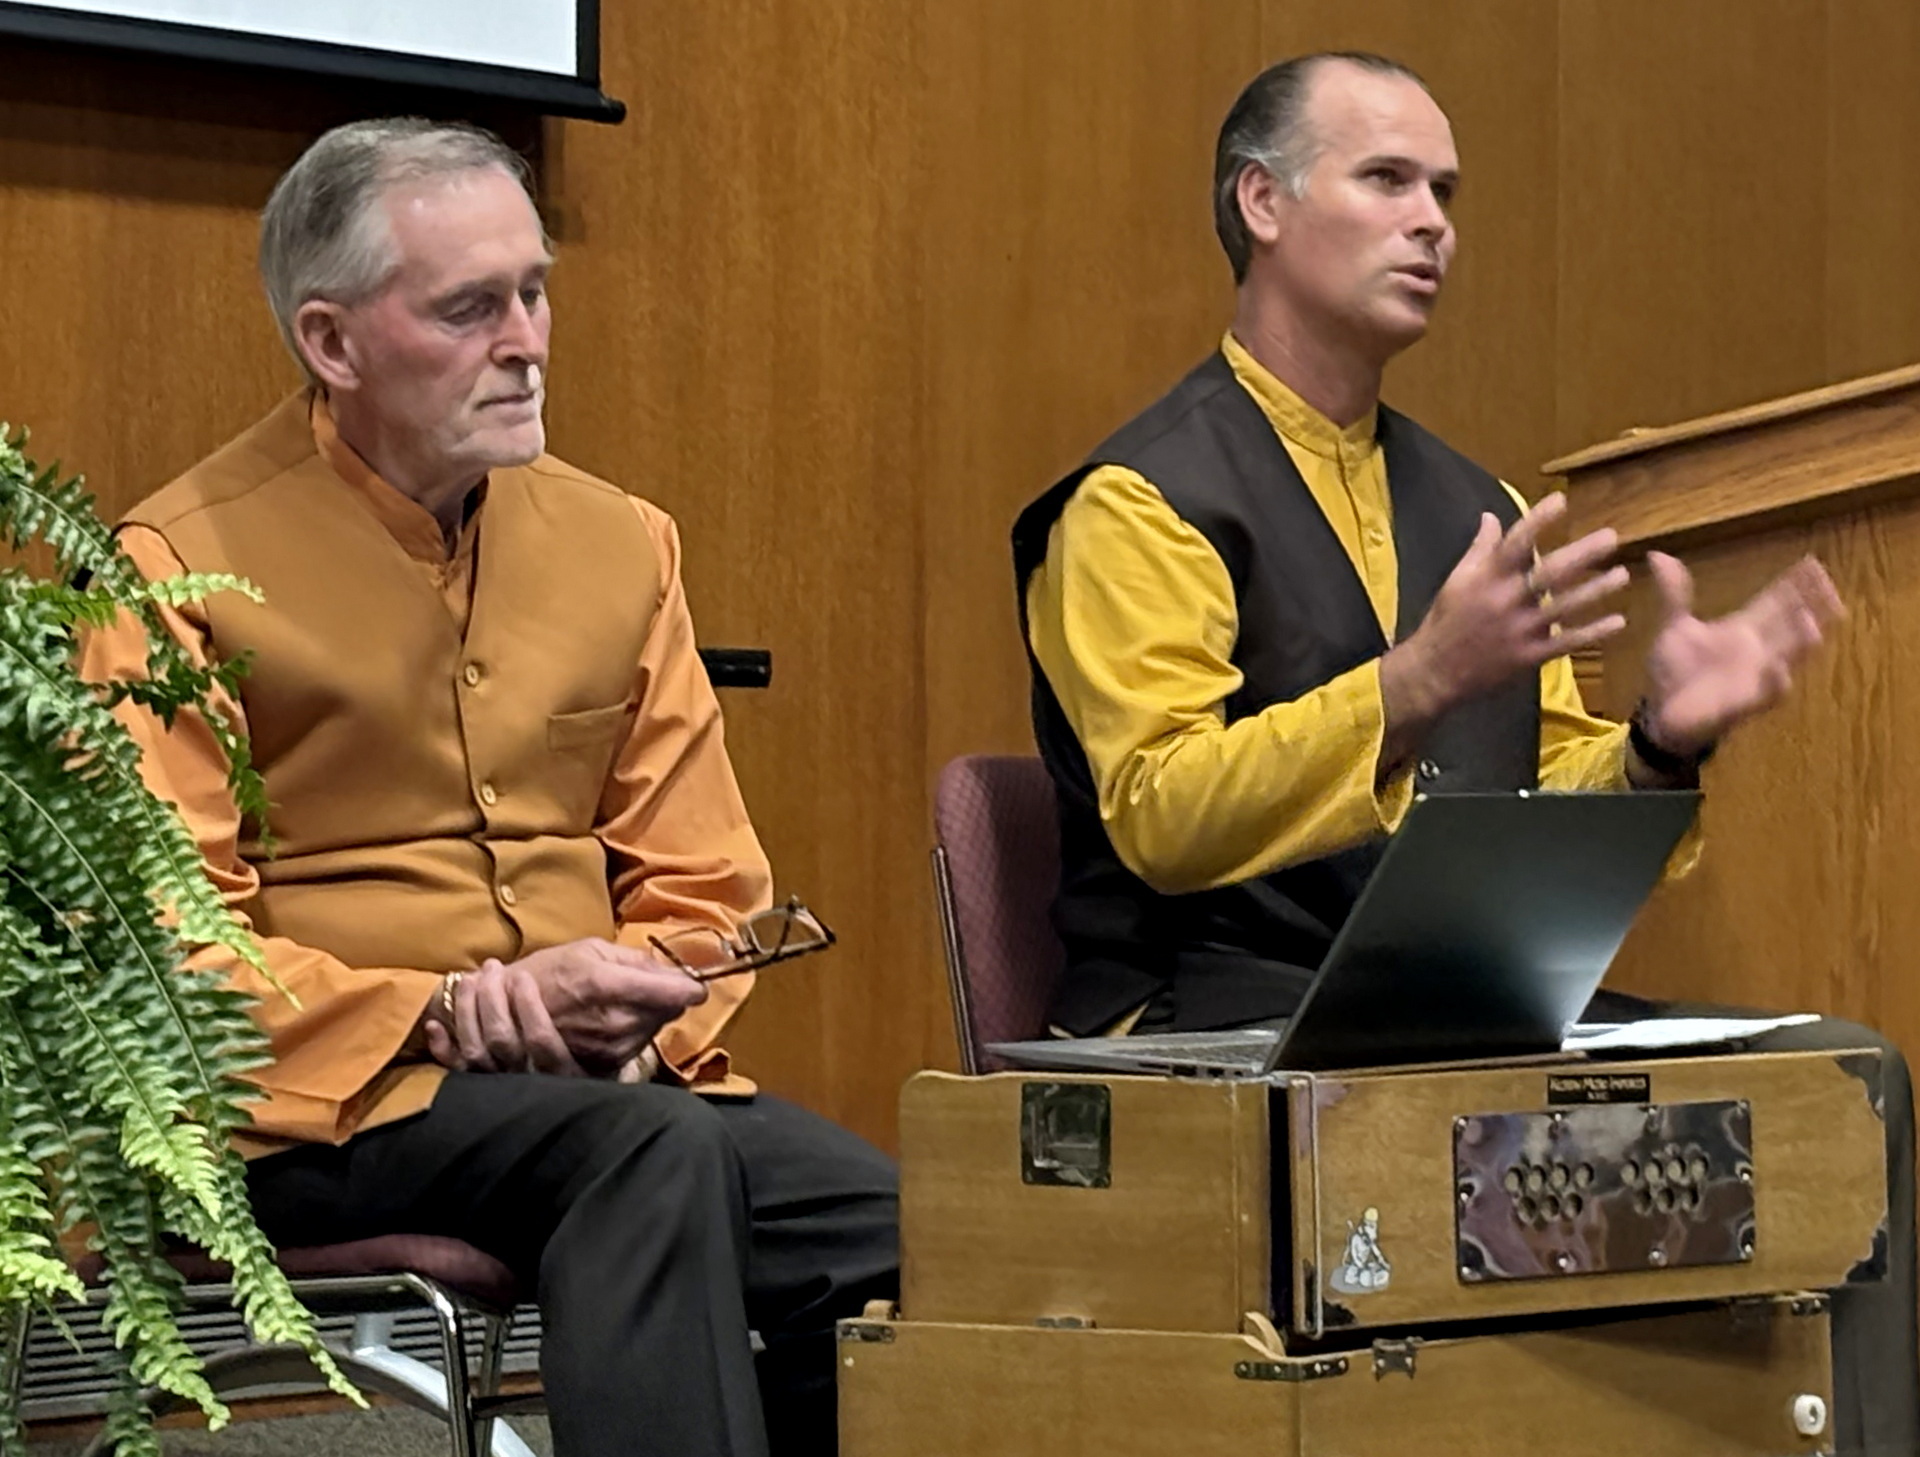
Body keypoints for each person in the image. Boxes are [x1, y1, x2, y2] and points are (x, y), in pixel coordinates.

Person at [1013, 51, 1915, 1453]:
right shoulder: (1139, 503)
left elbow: (1537, 792)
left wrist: (1662, 743)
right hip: (1219, 1014)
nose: (1434, 220)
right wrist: (1416, 683)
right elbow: (1163, 812)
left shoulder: (1475, 502)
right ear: (1261, 202)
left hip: (1447, 1011)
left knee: (1843, 1074)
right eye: (1388, 180)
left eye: (1446, 190)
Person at [81, 118, 896, 1457]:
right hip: (324, 1108)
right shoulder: (174, 565)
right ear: (333, 343)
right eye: (469, 308)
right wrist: (445, 1011)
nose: (526, 341)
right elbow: (164, 963)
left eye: (534, 292)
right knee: (652, 1158)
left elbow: (704, 882)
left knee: (922, 1242)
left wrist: (642, 1018)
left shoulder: (622, 543)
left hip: (605, 1093)